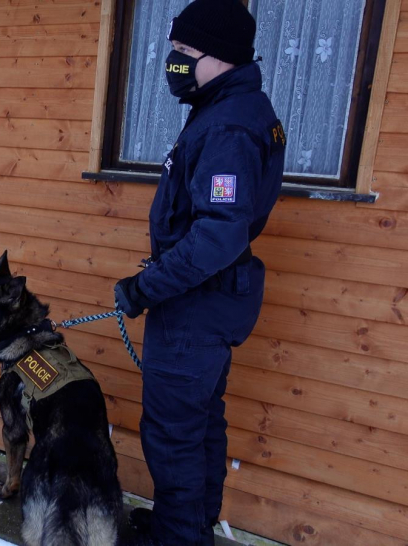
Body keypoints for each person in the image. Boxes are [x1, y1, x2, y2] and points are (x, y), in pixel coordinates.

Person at [113, 1, 285, 544]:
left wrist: (145, 287)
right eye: (175, 49)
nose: (173, 61)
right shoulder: (224, 109)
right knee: (200, 423)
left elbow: (218, 234)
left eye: (187, 52)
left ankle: (178, 538)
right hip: (205, 298)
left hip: (195, 304)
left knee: (173, 434)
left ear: (224, 57)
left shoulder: (230, 125)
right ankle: (185, 528)